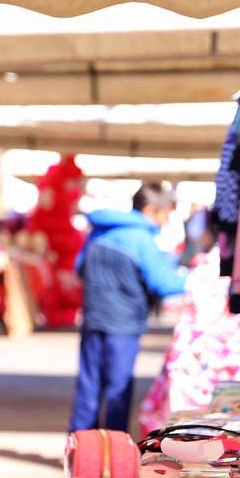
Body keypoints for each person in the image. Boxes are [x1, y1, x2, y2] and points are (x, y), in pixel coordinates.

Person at [69, 182, 186, 433]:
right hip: (123, 326)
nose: (166, 221)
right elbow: (163, 283)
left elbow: (79, 268)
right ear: (150, 210)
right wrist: (198, 280)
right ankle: (112, 454)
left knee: (88, 388)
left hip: (93, 318)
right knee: (117, 392)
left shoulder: (99, 232)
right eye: (166, 214)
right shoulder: (142, 239)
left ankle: (79, 454)